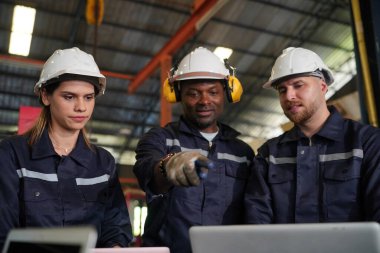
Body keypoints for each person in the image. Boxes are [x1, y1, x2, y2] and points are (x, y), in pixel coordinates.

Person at [0, 47, 133, 250]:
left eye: (88, 97)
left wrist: (115, 246)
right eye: (69, 97)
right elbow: (3, 230)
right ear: (46, 96)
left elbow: (116, 225)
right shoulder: (12, 154)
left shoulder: (103, 163)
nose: (81, 107)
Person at [133, 47, 254, 253]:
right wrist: (168, 166)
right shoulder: (160, 139)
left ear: (228, 93)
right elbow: (147, 171)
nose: (204, 101)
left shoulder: (242, 153)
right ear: (176, 95)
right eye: (193, 93)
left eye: (213, 92)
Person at [245, 47, 380, 223]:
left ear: (323, 87)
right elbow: (257, 219)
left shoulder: (367, 142)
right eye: (282, 90)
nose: (289, 96)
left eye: (298, 85)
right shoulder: (269, 154)